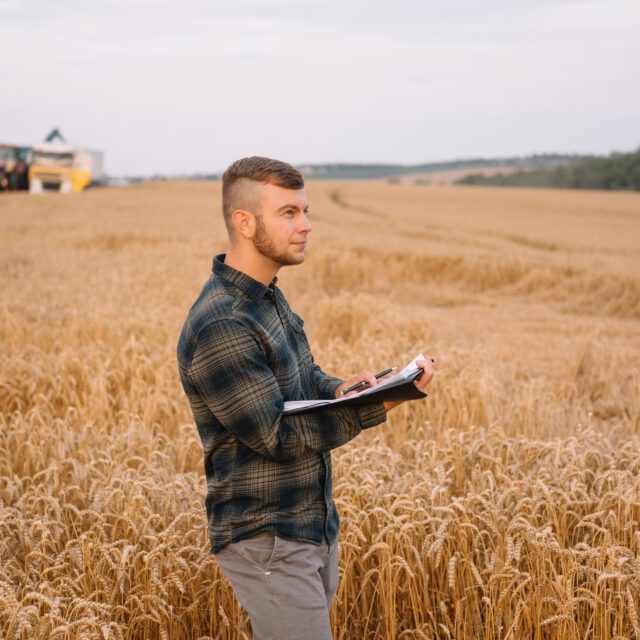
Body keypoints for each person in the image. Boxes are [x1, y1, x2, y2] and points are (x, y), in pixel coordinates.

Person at [177, 156, 434, 640]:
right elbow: (275, 434)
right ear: (245, 222)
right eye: (289, 213)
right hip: (268, 538)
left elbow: (304, 378)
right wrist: (380, 405)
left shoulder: (266, 296)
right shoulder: (224, 324)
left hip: (308, 523)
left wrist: (344, 389)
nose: (307, 226)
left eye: (305, 211)